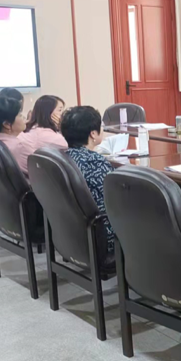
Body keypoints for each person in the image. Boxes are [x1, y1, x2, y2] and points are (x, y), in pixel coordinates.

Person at [60, 106, 116, 258]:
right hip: (105, 234)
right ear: (93, 134)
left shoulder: (65, 157)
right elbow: (116, 199)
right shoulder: (93, 162)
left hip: (74, 233)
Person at [14, 95, 66, 174]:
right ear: (48, 113)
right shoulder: (47, 136)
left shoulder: (33, 129)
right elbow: (74, 145)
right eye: (60, 110)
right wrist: (62, 126)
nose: (63, 115)